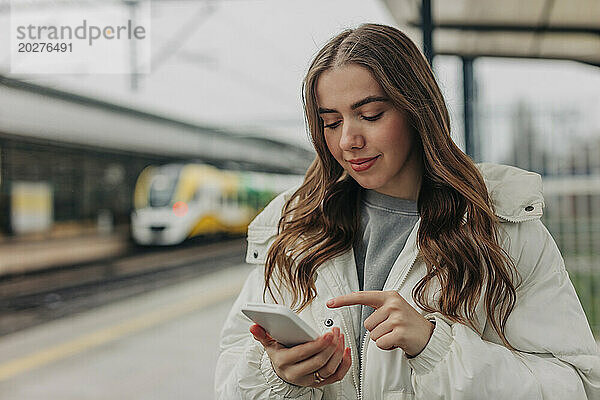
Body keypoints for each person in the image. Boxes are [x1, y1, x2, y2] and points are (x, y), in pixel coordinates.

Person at [214, 23, 600, 399]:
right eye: (330, 122)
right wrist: (279, 376)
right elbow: (230, 379)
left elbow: (576, 386)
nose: (349, 139)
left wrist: (436, 348)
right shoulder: (295, 228)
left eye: (371, 115)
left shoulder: (502, 227)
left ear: (417, 110)